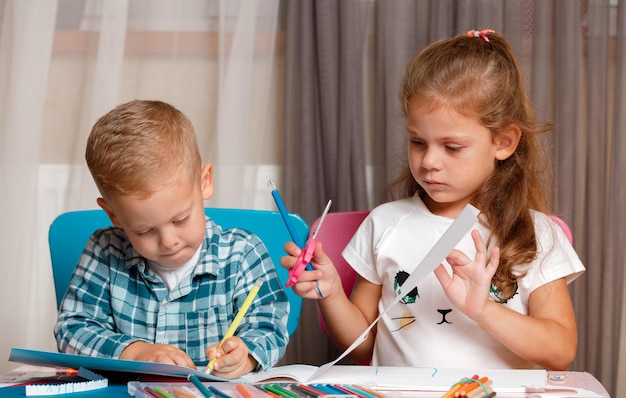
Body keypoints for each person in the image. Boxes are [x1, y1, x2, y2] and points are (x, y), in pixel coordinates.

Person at [282, 30, 584, 370]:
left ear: (503, 143)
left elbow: (560, 352)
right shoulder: (385, 224)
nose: (429, 162)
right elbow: (362, 346)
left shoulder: (535, 233)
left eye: (452, 147)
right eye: (418, 142)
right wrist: (333, 291)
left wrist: (484, 309)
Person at [54, 100, 289, 378]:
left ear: (205, 182)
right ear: (113, 215)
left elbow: (269, 322)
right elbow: (72, 328)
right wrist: (136, 352)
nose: (168, 241)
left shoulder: (242, 252)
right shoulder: (104, 251)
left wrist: (246, 355)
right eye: (144, 231)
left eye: (180, 220)